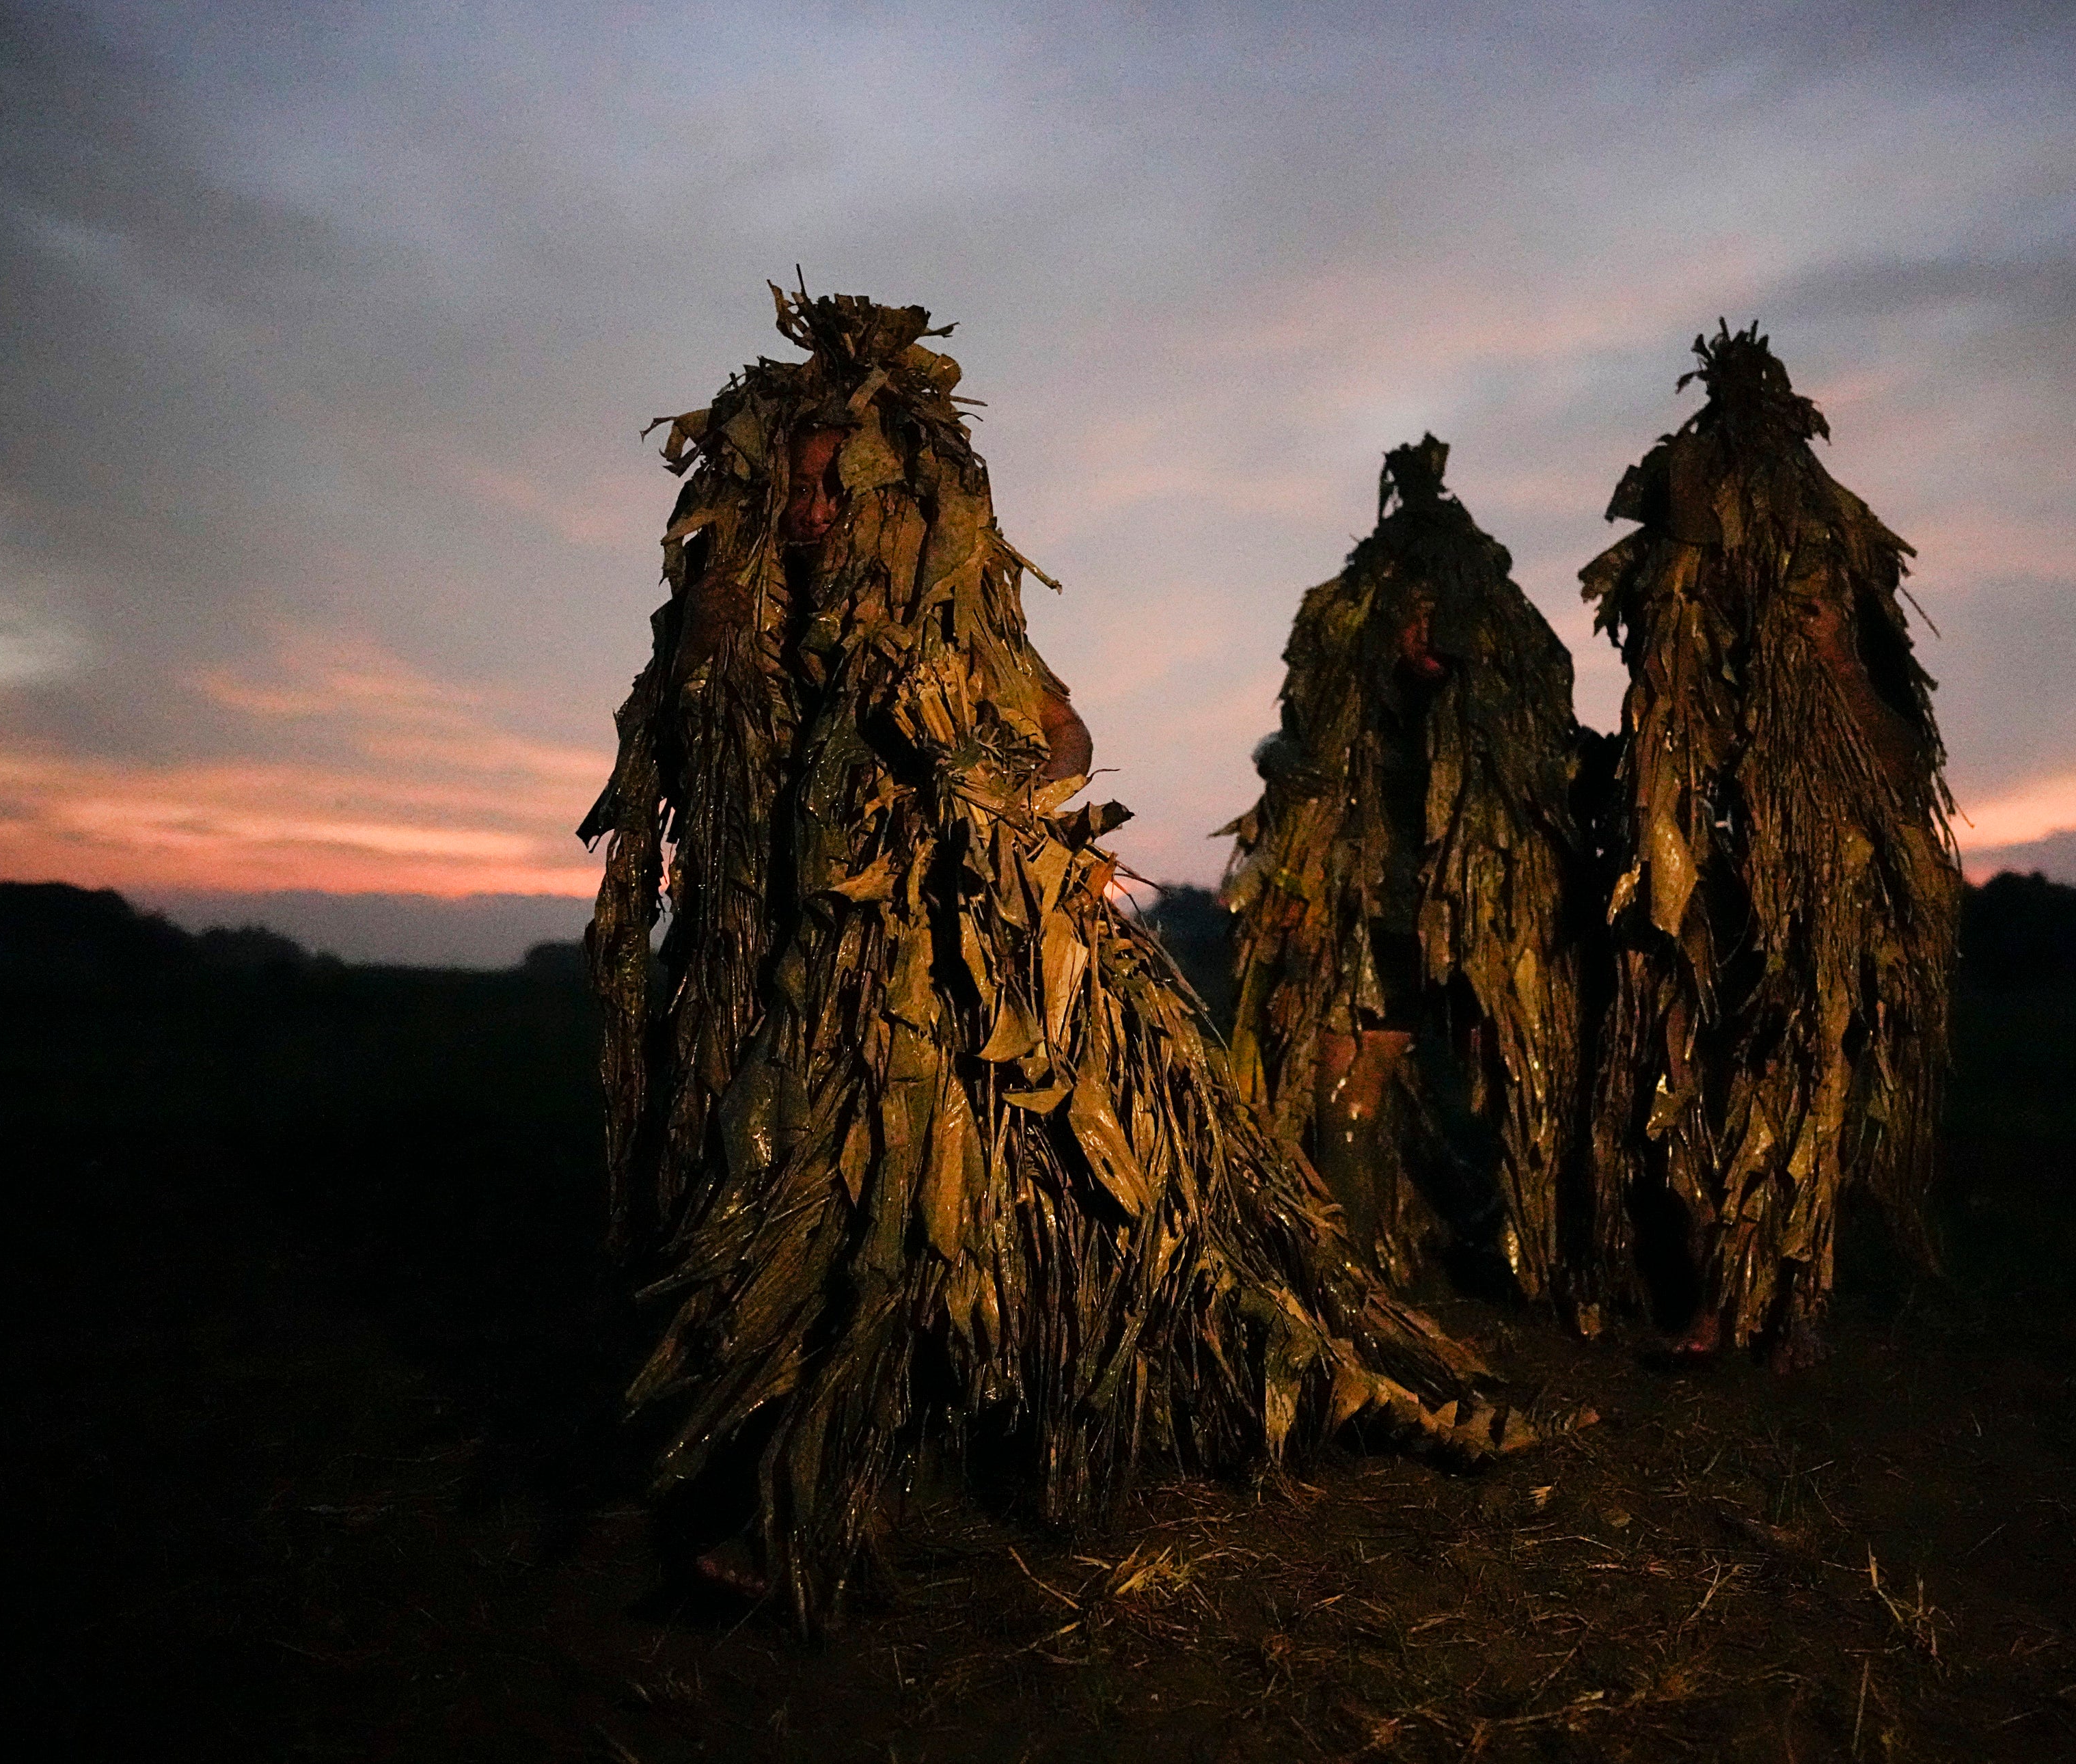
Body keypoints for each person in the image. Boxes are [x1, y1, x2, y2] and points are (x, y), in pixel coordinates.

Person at [577, 290, 1550, 1631]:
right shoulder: (724, 618)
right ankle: (821, 1468)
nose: (811, 513)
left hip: (936, 981)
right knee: (791, 1211)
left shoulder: (950, 614)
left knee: (902, 1224)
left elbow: (1064, 736)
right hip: (781, 975)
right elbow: (691, 779)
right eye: (791, 487)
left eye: (834, 486)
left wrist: (970, 782)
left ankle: (823, 1504)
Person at [1573, 323, 1961, 1364]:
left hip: (1817, 881)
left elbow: (1900, 759)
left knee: (1798, 1082)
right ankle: (1711, 1299)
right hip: (1704, 874)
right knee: (1687, 1072)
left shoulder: (1841, 602)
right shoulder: (1682, 666)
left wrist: (1831, 652)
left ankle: (1795, 1307)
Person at [1222, 436, 1587, 1301]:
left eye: (1442, 613)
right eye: (1411, 615)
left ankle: (1531, 1256)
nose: (1429, 633)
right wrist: (1279, 758)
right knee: (1349, 1066)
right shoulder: (1344, 681)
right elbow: (1284, 738)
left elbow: (1552, 767)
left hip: (1491, 911)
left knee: (1516, 1070)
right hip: (1373, 896)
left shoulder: (1510, 690)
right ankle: (1348, 1271)